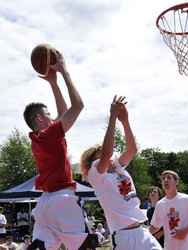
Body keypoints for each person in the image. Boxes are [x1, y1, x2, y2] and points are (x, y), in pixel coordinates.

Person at [23, 48, 97, 250]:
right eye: (48, 114)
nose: (53, 116)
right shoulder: (50, 135)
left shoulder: (38, 138)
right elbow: (78, 105)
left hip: (44, 205)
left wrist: (53, 83)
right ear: (39, 119)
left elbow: (63, 113)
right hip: (62, 200)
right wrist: (64, 72)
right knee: (86, 247)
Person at [80, 95, 162, 250]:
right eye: (104, 158)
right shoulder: (96, 176)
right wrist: (111, 117)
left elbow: (132, 150)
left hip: (141, 231)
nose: (110, 158)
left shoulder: (117, 167)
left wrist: (125, 121)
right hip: (123, 237)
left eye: (112, 156)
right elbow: (106, 153)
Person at [149, 170, 188, 250]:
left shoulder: (187, 199)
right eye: (163, 179)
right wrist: (139, 233)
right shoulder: (160, 204)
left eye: (169, 178)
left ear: (176, 182)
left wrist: (185, 231)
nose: (165, 180)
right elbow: (155, 227)